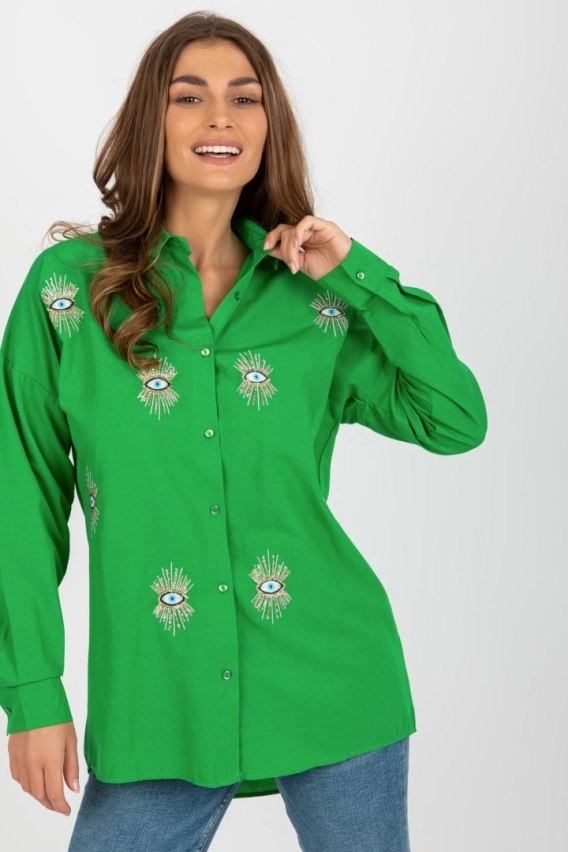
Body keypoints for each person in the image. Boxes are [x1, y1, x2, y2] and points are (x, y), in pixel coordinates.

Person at [0, 12, 487, 852]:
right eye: (189, 96)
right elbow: (20, 501)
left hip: (335, 683)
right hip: (159, 701)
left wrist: (357, 272)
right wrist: (32, 691)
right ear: (151, 121)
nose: (220, 116)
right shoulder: (69, 292)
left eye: (246, 98)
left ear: (270, 126)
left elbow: (454, 418)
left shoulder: (315, 299)